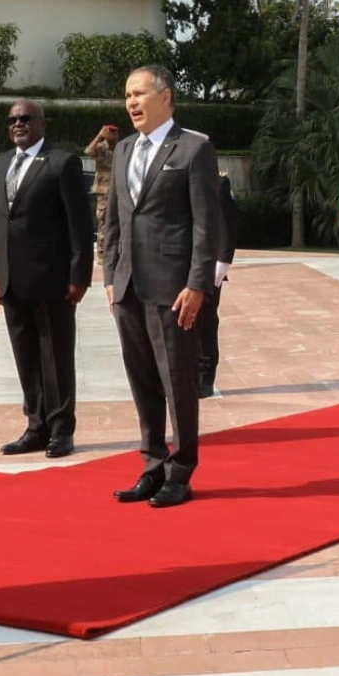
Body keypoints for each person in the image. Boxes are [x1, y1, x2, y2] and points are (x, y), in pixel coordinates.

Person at [101, 65, 220, 509]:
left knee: (177, 382)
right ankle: (152, 465)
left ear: (165, 97)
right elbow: (112, 220)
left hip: (173, 290)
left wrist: (197, 285)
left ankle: (181, 470)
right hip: (128, 287)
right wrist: (110, 277)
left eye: (140, 94)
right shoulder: (124, 150)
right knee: (143, 381)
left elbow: (207, 225)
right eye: (127, 95)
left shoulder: (193, 149)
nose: (131, 102)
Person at [0, 99, 92, 459]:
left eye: (26, 118)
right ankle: (36, 425)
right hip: (12, 282)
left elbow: (80, 225)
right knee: (26, 356)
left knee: (55, 357)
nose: (19, 124)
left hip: (53, 280)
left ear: (42, 124)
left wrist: (80, 276)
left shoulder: (62, 163)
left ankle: (61, 428)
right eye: (13, 119)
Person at [198, 173, 241, 399]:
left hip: (210, 263)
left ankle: (205, 376)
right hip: (182, 261)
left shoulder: (217, 182)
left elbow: (228, 219)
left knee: (205, 319)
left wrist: (223, 260)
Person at [84, 122, 121, 248]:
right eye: (110, 133)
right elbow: (88, 151)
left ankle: (114, 249)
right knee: (104, 222)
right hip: (104, 190)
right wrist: (99, 135)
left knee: (119, 221)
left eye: (115, 133)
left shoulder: (121, 148)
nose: (113, 135)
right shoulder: (100, 147)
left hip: (119, 190)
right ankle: (102, 252)